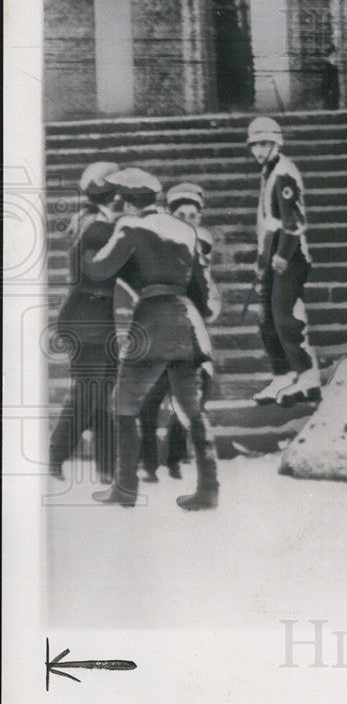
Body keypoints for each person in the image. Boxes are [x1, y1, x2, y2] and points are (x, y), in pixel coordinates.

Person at [85, 167, 220, 511]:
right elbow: (202, 292)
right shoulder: (185, 230)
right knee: (192, 410)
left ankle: (126, 488)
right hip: (186, 324)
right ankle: (209, 490)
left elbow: (101, 268)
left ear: (128, 201)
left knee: (124, 405)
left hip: (150, 325)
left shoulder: (130, 226)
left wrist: (90, 252)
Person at [138, 183, 219, 482]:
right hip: (162, 334)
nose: (188, 220)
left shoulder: (197, 251)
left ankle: (170, 459)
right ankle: (151, 462)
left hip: (187, 336)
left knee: (186, 400)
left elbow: (206, 297)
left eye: (193, 215)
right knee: (150, 401)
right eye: (181, 214)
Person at [48, 161, 121, 483]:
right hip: (86, 321)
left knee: (104, 394)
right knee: (88, 394)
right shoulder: (94, 224)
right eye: (114, 189)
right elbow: (94, 270)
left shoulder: (101, 222)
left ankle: (106, 466)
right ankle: (55, 455)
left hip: (101, 321)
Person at [246, 117, 321, 406]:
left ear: (276, 143)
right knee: (266, 318)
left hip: (289, 255)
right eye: (255, 145)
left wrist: (281, 256)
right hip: (271, 253)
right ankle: (282, 374)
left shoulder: (284, 173)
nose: (259, 150)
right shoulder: (269, 171)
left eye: (264, 144)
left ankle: (306, 374)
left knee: (285, 317)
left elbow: (293, 221)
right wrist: (263, 259)